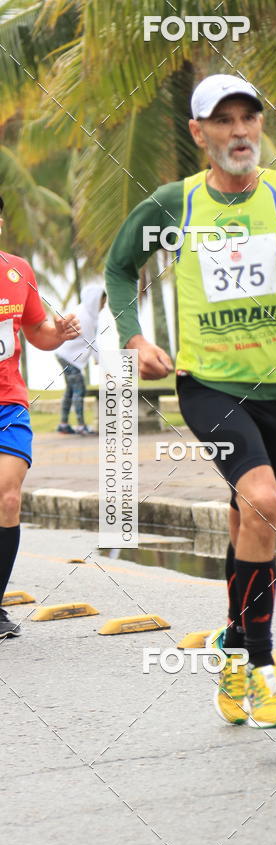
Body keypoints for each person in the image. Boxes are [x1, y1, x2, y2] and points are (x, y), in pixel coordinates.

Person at [105, 73, 276, 727]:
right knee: (264, 502)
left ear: (260, 126)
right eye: (221, 121)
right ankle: (260, 667)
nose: (238, 131)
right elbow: (119, 266)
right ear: (199, 134)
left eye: (247, 118)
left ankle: (230, 643)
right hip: (208, 384)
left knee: (251, 521)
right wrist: (135, 338)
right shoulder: (176, 202)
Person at [0, 194, 80, 637]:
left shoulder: (17, 272)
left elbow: (38, 335)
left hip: (7, 404)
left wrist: (59, 332)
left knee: (7, 498)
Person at [56, 285, 106, 435]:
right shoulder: (86, 317)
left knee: (71, 390)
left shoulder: (83, 311)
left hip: (64, 355)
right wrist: (102, 362)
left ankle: (63, 424)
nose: (103, 306)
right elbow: (92, 342)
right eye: (102, 303)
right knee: (79, 388)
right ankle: (81, 426)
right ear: (95, 300)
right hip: (69, 357)